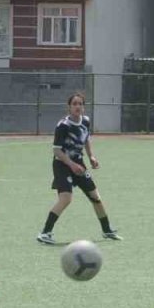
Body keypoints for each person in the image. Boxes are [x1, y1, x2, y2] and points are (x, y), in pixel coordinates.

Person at [37, 92, 120, 244]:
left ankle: (107, 230)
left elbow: (86, 139)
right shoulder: (63, 125)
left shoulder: (86, 121)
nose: (77, 106)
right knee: (66, 198)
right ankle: (45, 233)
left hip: (78, 164)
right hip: (62, 164)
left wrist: (91, 157)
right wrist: (72, 165)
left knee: (96, 197)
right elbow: (57, 150)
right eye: (74, 104)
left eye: (80, 104)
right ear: (69, 107)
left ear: (83, 107)